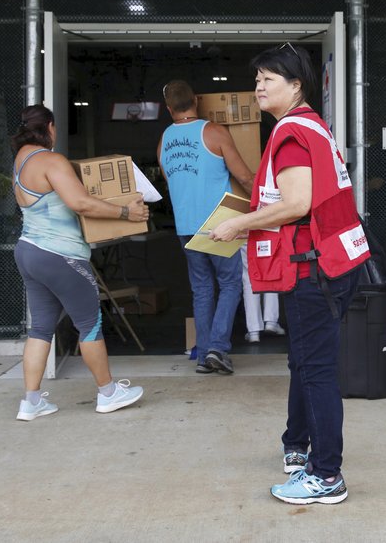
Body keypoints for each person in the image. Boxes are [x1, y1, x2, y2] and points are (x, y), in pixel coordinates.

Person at [209, 43, 370, 505]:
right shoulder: (313, 127)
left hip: (313, 269)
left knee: (315, 369)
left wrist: (239, 223)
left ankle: (327, 475)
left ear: (296, 85)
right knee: (304, 361)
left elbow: (297, 203)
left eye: (269, 79)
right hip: (332, 262)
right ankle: (297, 446)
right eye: (257, 78)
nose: (259, 86)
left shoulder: (292, 134)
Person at [11, 103, 148, 421]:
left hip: (29, 250)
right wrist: (127, 212)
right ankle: (108, 392)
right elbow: (80, 202)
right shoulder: (51, 160)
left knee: (41, 328)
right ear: (49, 127)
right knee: (90, 323)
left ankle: (31, 402)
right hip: (61, 255)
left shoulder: (20, 161)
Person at [158, 80, 253, 375]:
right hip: (219, 222)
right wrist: (267, 203)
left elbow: (168, 179)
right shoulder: (214, 132)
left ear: (168, 108)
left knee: (201, 289)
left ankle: (203, 357)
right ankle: (218, 349)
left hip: (185, 225)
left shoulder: (164, 140)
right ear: (196, 100)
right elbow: (245, 177)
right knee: (230, 283)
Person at [239, 242, 284, 343]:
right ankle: (271, 322)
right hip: (267, 233)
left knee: (249, 279)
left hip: (245, 235)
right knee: (271, 273)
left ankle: (253, 331)